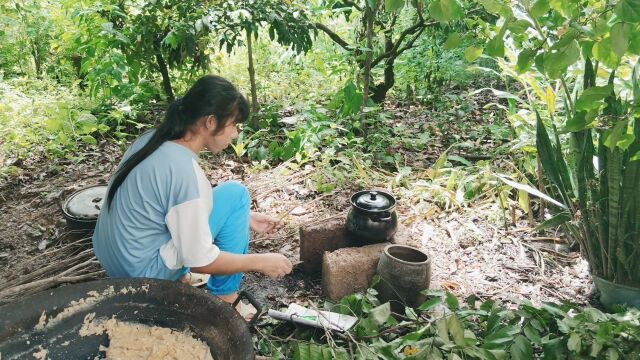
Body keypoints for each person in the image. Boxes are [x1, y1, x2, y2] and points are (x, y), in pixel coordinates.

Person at [92, 75, 293, 310]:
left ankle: (180, 277)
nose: (236, 134)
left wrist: (243, 218)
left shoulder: (151, 139)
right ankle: (226, 297)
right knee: (236, 195)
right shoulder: (185, 173)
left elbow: (160, 203)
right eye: (234, 125)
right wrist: (260, 262)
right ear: (210, 122)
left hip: (116, 259)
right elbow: (201, 260)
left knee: (234, 196)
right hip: (144, 275)